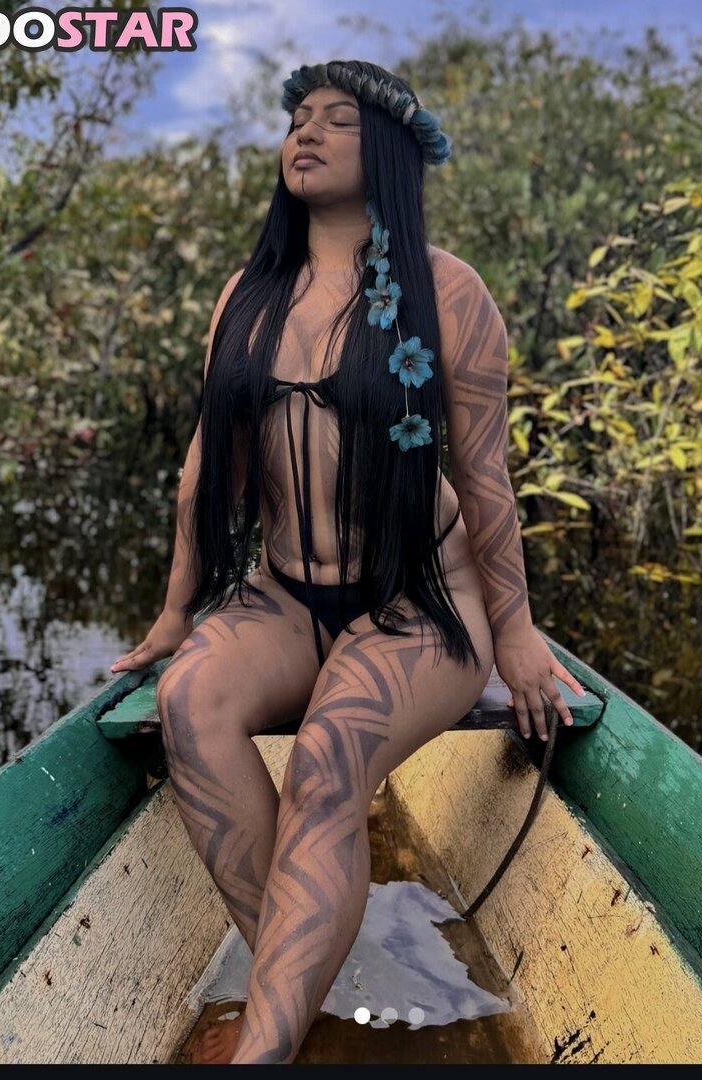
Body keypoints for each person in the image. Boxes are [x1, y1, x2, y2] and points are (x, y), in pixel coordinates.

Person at [109, 59, 584, 1065]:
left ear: (394, 155)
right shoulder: (246, 296)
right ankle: (298, 995)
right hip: (283, 592)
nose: (307, 133)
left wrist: (515, 634)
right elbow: (204, 466)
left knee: (329, 753)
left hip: (418, 600)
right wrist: (174, 613)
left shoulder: (447, 293)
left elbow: (486, 478)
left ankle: (265, 1048)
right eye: (299, 119)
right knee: (188, 702)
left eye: (338, 121)